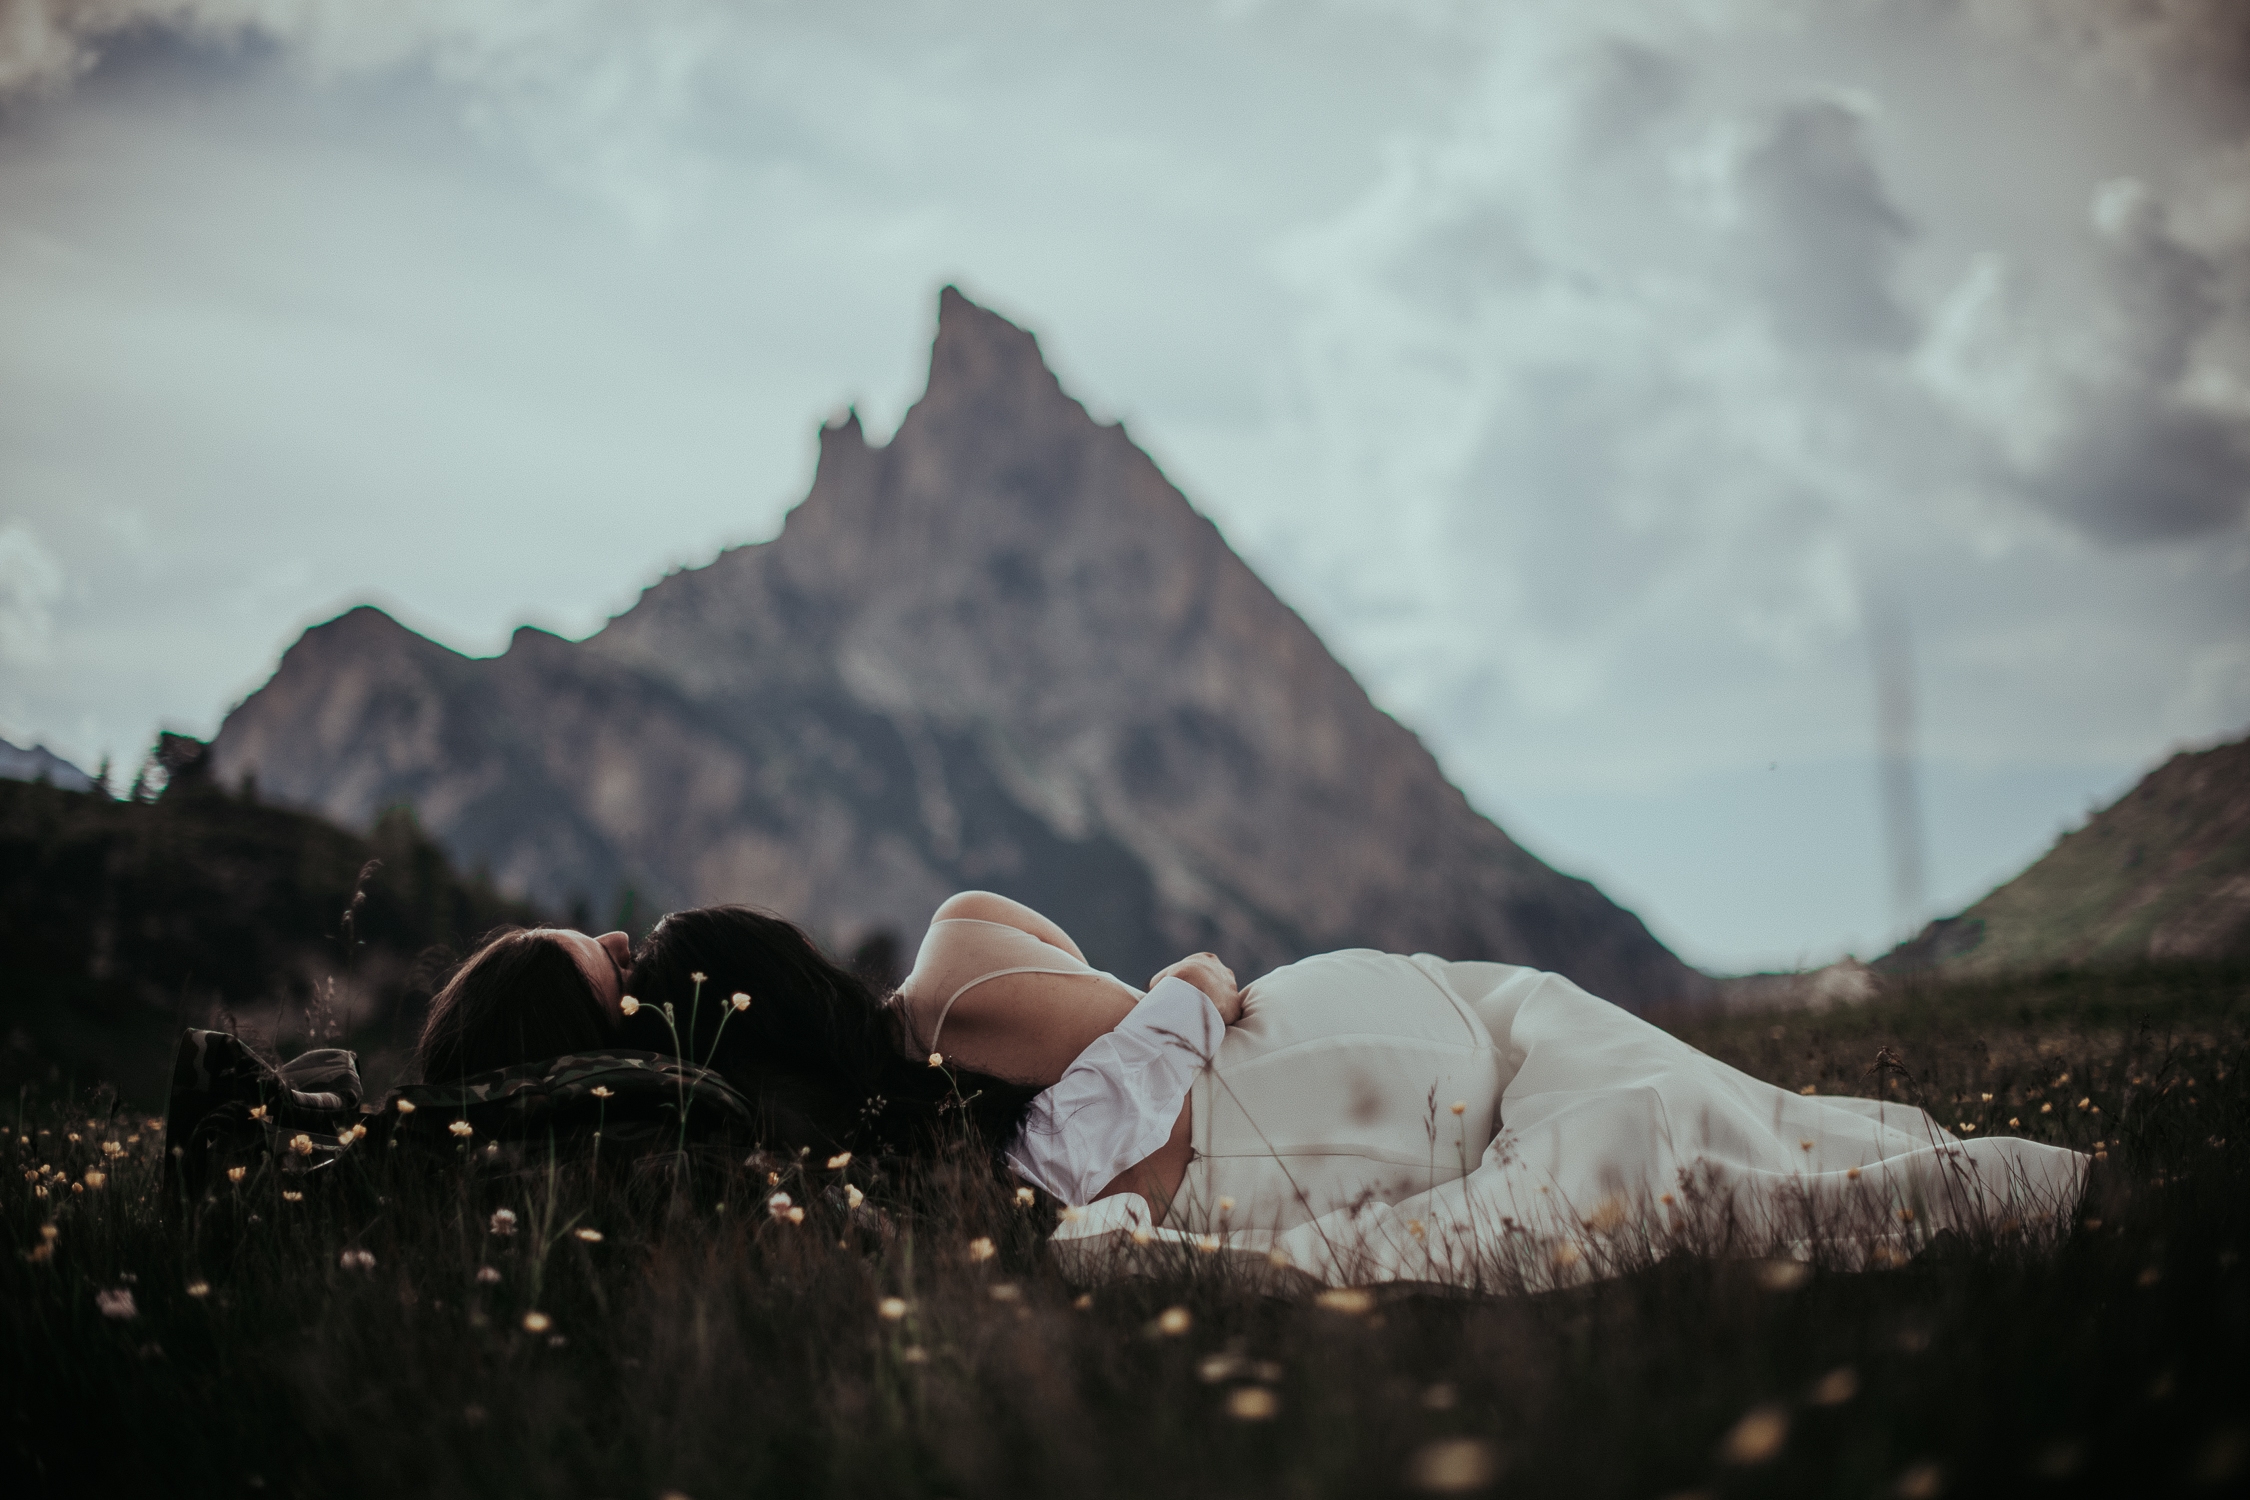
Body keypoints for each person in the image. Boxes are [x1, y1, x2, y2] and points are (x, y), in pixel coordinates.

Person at [429, 895, 2092, 1291]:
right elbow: (1164, 1061)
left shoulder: (904, 1105)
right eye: (625, 955)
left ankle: (1996, 1189)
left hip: (1369, 1066)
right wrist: (1187, 990)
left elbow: (1140, 1106)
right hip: (1364, 1049)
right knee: (1691, 1140)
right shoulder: (951, 997)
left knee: (1678, 1159)